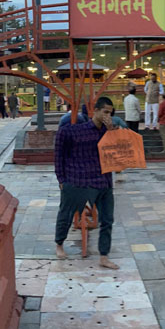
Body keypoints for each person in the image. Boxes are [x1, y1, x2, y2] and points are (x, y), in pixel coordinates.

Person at [53, 96, 123, 269]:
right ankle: (59, 244)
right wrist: (61, 178)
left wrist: (111, 132)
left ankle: (104, 256)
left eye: (110, 112)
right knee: (66, 213)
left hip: (103, 180)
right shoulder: (74, 131)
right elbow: (58, 154)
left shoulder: (110, 131)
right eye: (105, 112)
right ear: (96, 111)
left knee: (107, 219)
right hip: (78, 178)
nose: (108, 115)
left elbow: (117, 154)